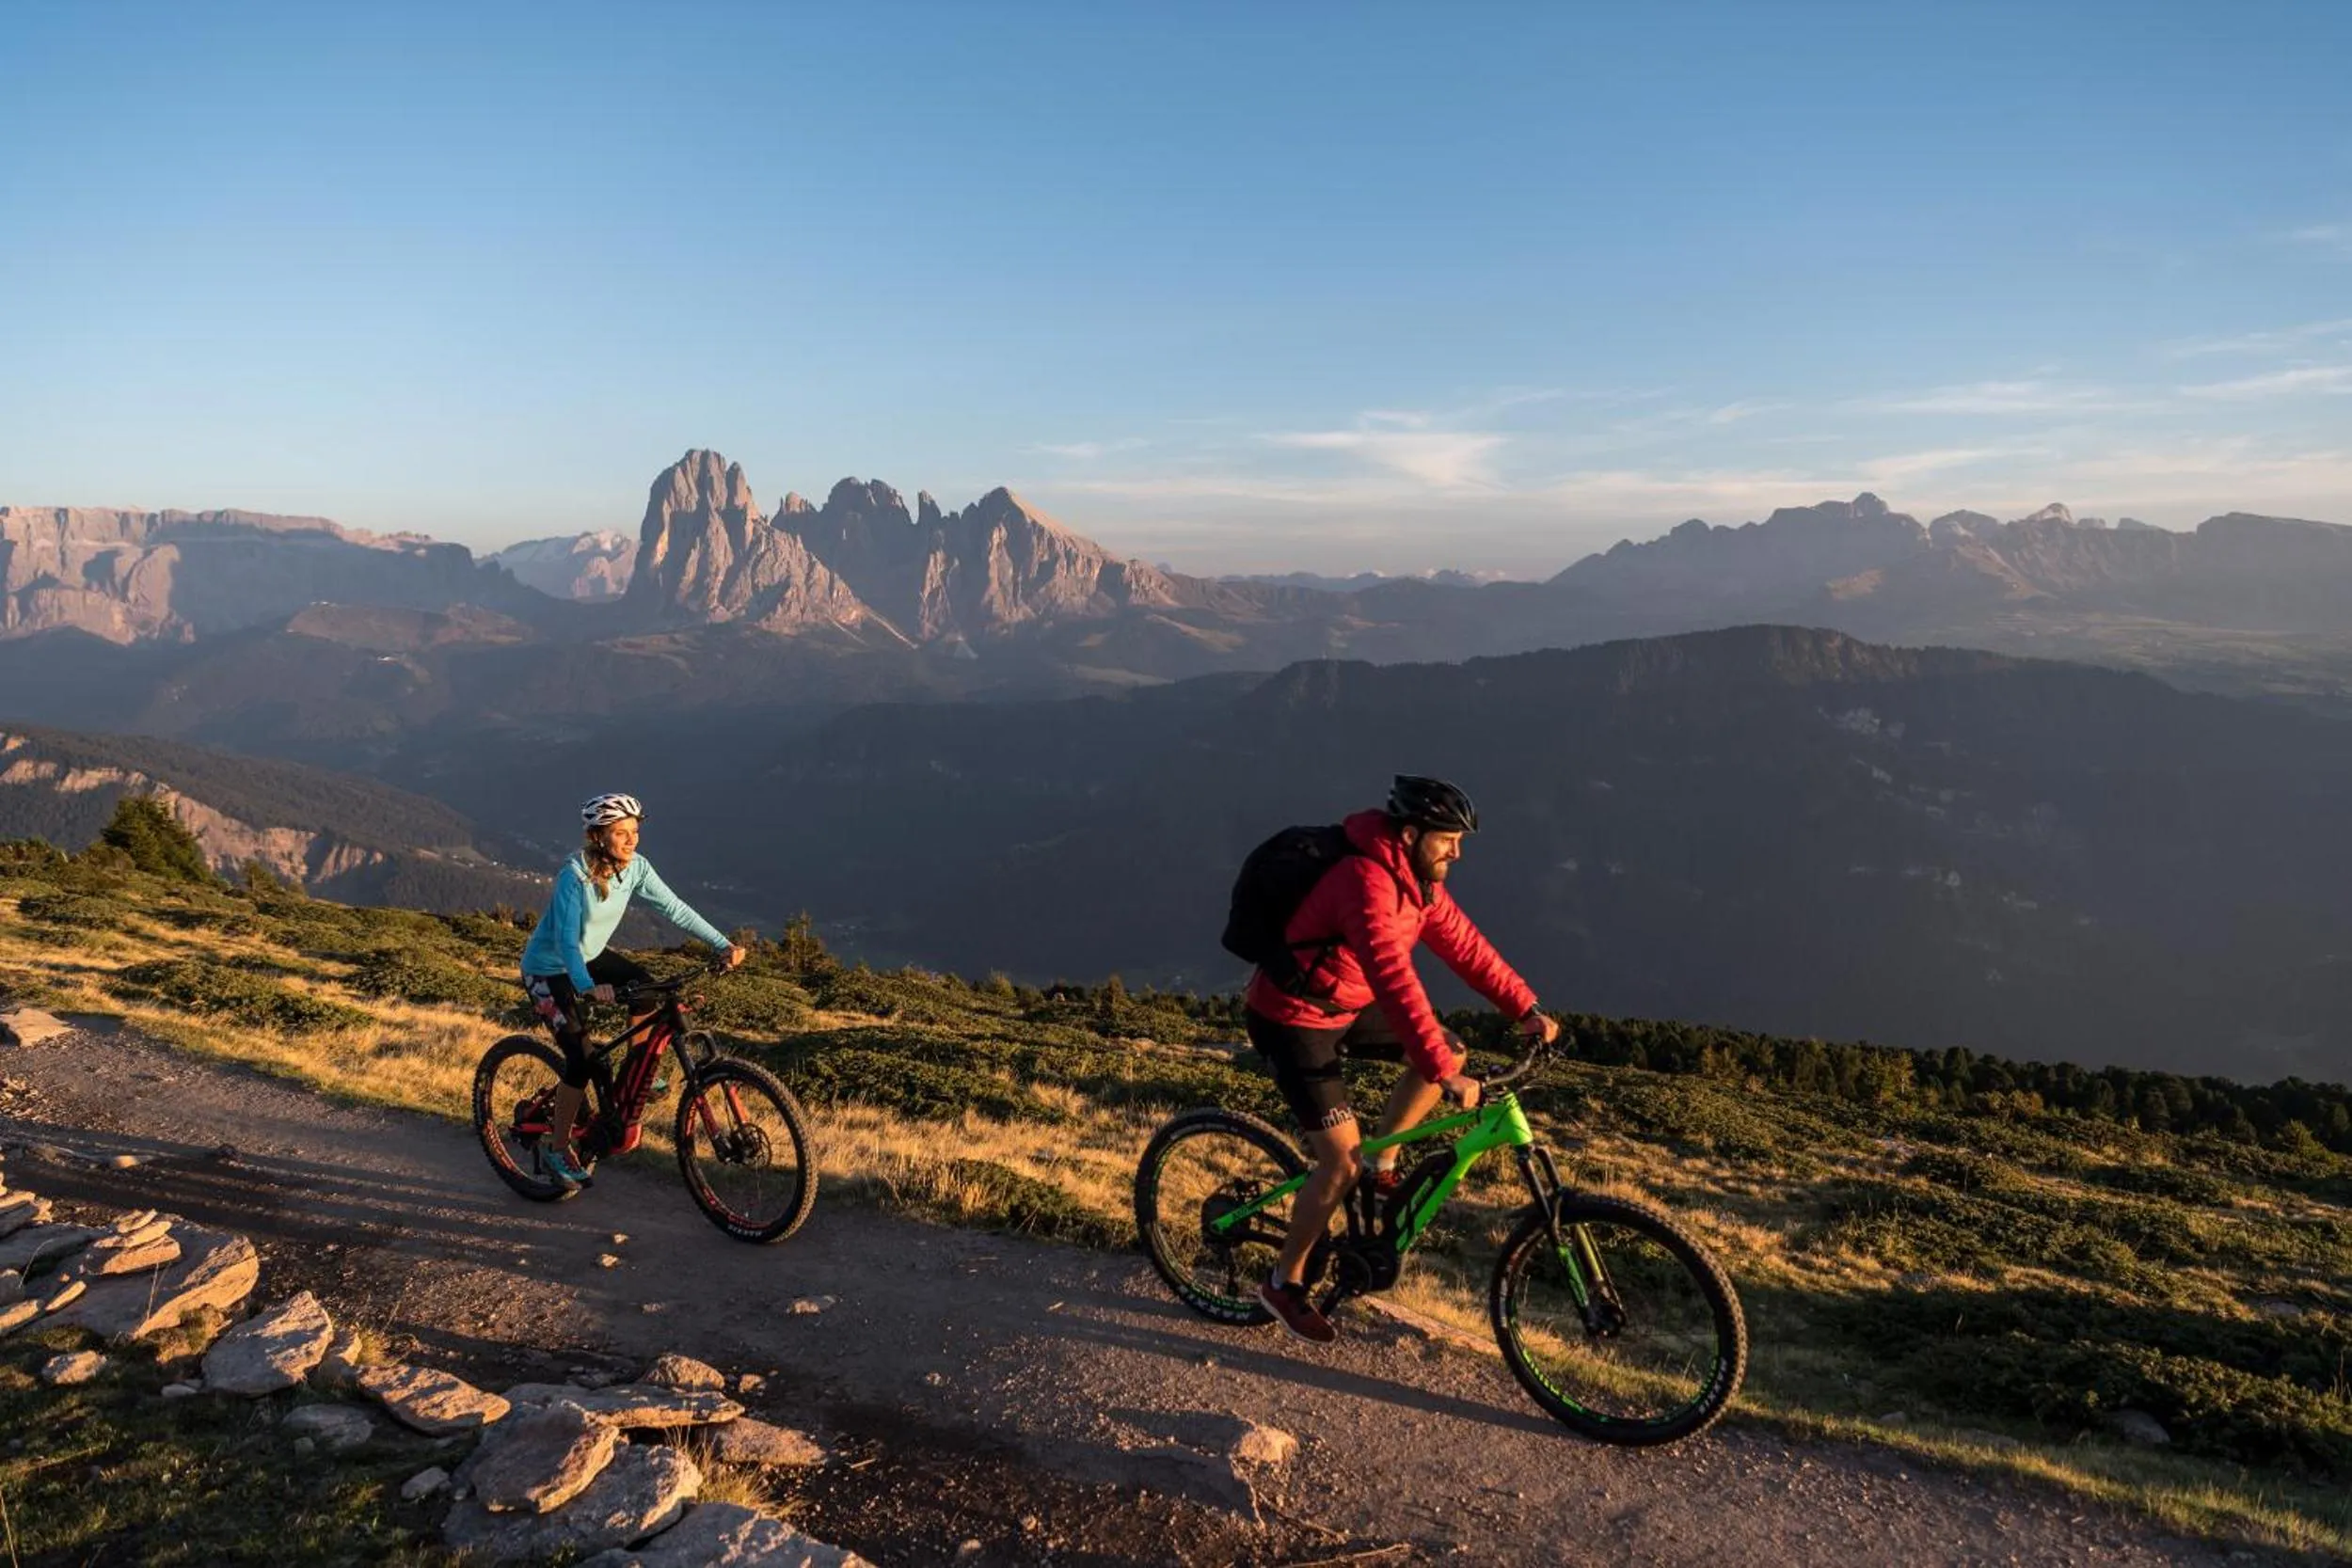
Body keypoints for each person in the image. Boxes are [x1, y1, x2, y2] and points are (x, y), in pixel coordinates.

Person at [1245, 775, 1559, 1343]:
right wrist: (1444, 1073)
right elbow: (1395, 980)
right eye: (1447, 840)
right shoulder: (1365, 883)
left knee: (1451, 1048)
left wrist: (1525, 1006)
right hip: (1294, 1016)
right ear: (1411, 834)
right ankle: (1283, 1283)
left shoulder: (1418, 882)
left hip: (1347, 1004)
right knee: (1337, 1162)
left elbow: (1465, 946)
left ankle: (1380, 1164)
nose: (1457, 852)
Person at [518, 792, 745, 1190]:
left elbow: (674, 908)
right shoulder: (574, 876)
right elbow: (568, 943)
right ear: (597, 837)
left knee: (647, 991)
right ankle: (555, 1149)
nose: (631, 840)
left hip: (589, 956)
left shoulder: (636, 868)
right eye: (620, 833)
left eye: (634, 831)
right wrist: (588, 989)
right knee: (582, 1060)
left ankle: (637, 1071)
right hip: (549, 968)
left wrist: (721, 944)